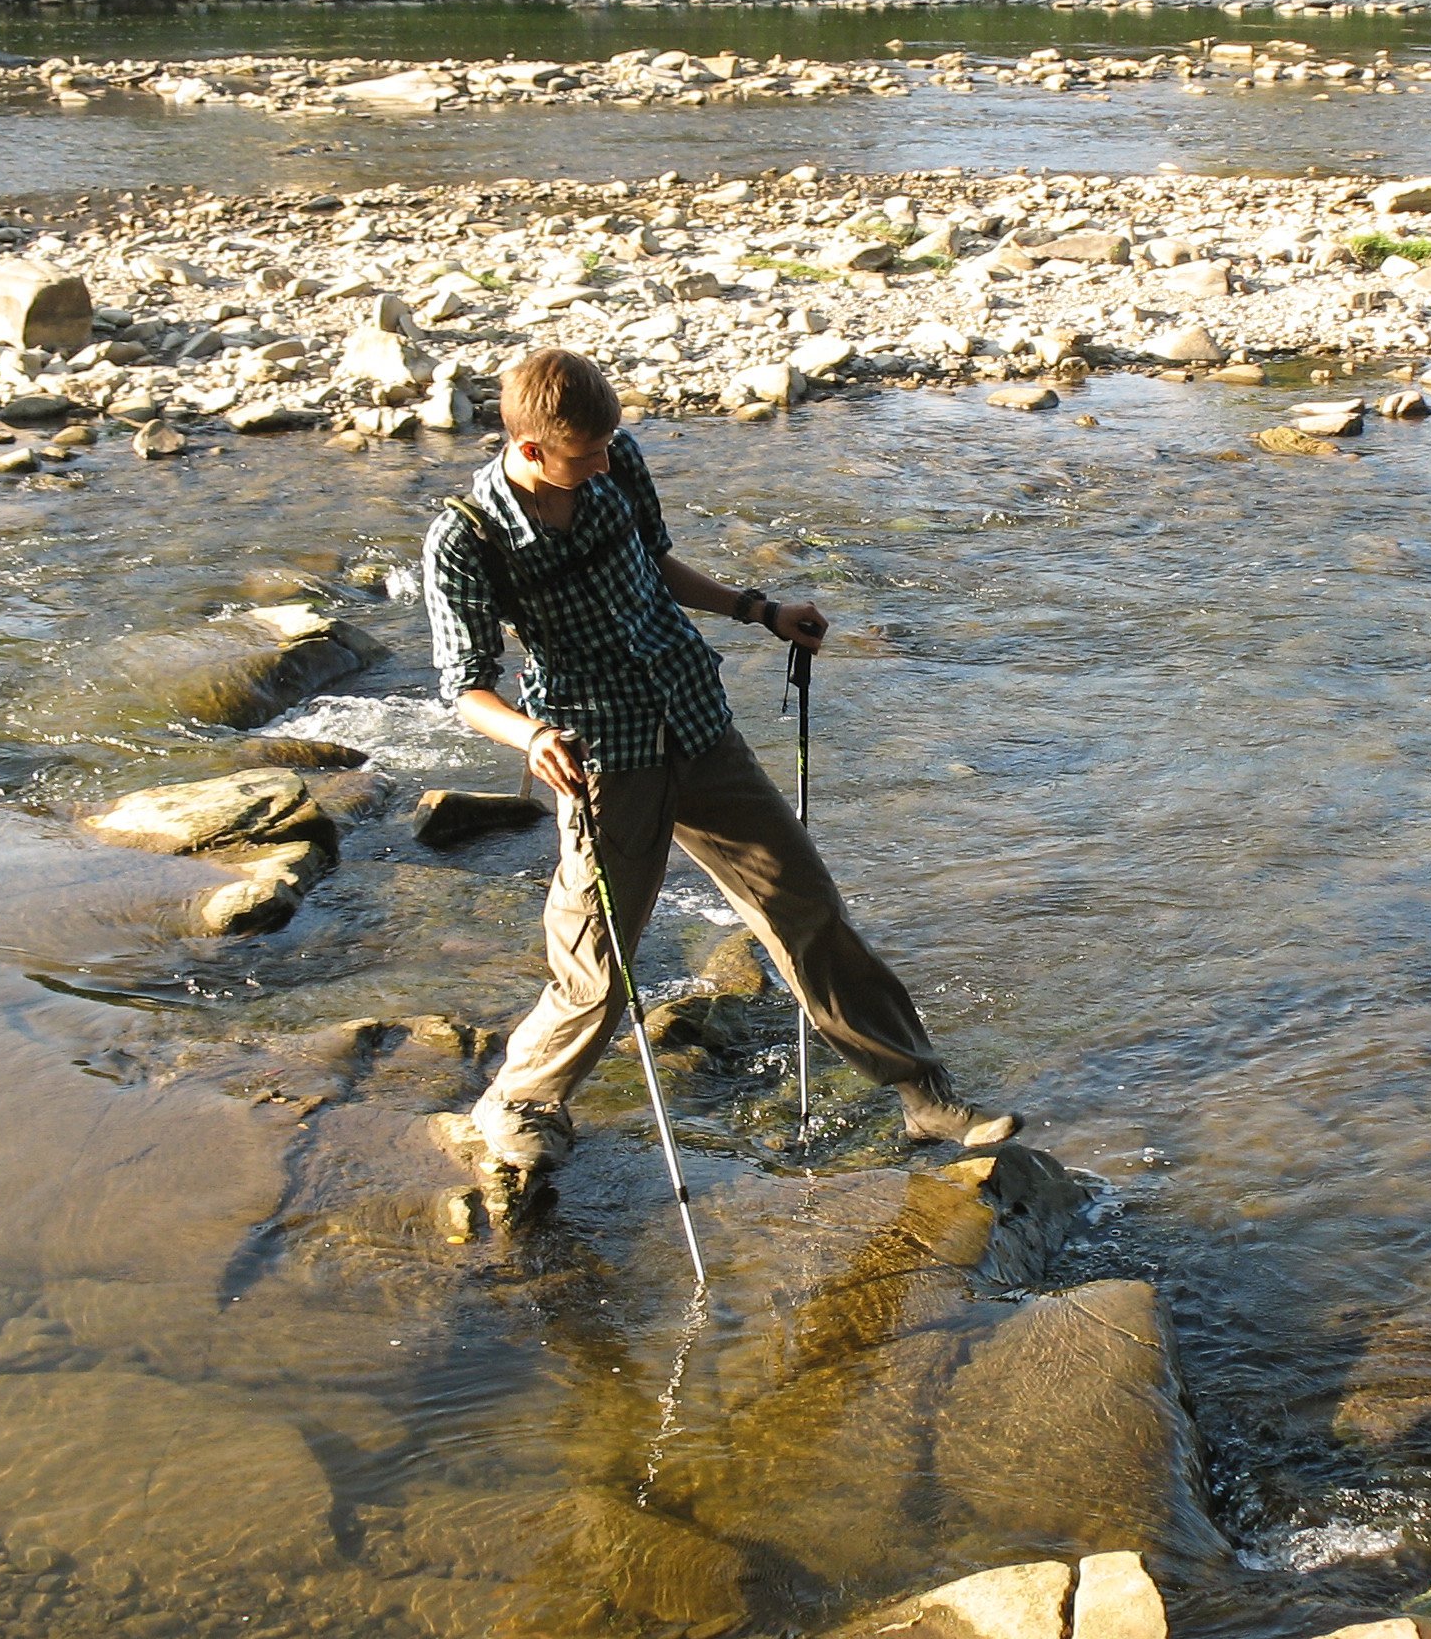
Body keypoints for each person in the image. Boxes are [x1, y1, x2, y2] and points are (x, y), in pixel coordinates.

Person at [424, 346, 1020, 1177]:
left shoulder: (617, 460)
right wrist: (530, 737)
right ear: (529, 449)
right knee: (597, 964)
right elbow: (465, 687)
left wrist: (758, 609)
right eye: (585, 456)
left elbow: (653, 564)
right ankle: (521, 1102)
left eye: (609, 447)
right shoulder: (467, 536)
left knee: (807, 908)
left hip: (696, 722)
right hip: (601, 758)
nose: (605, 466)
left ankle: (924, 1094)